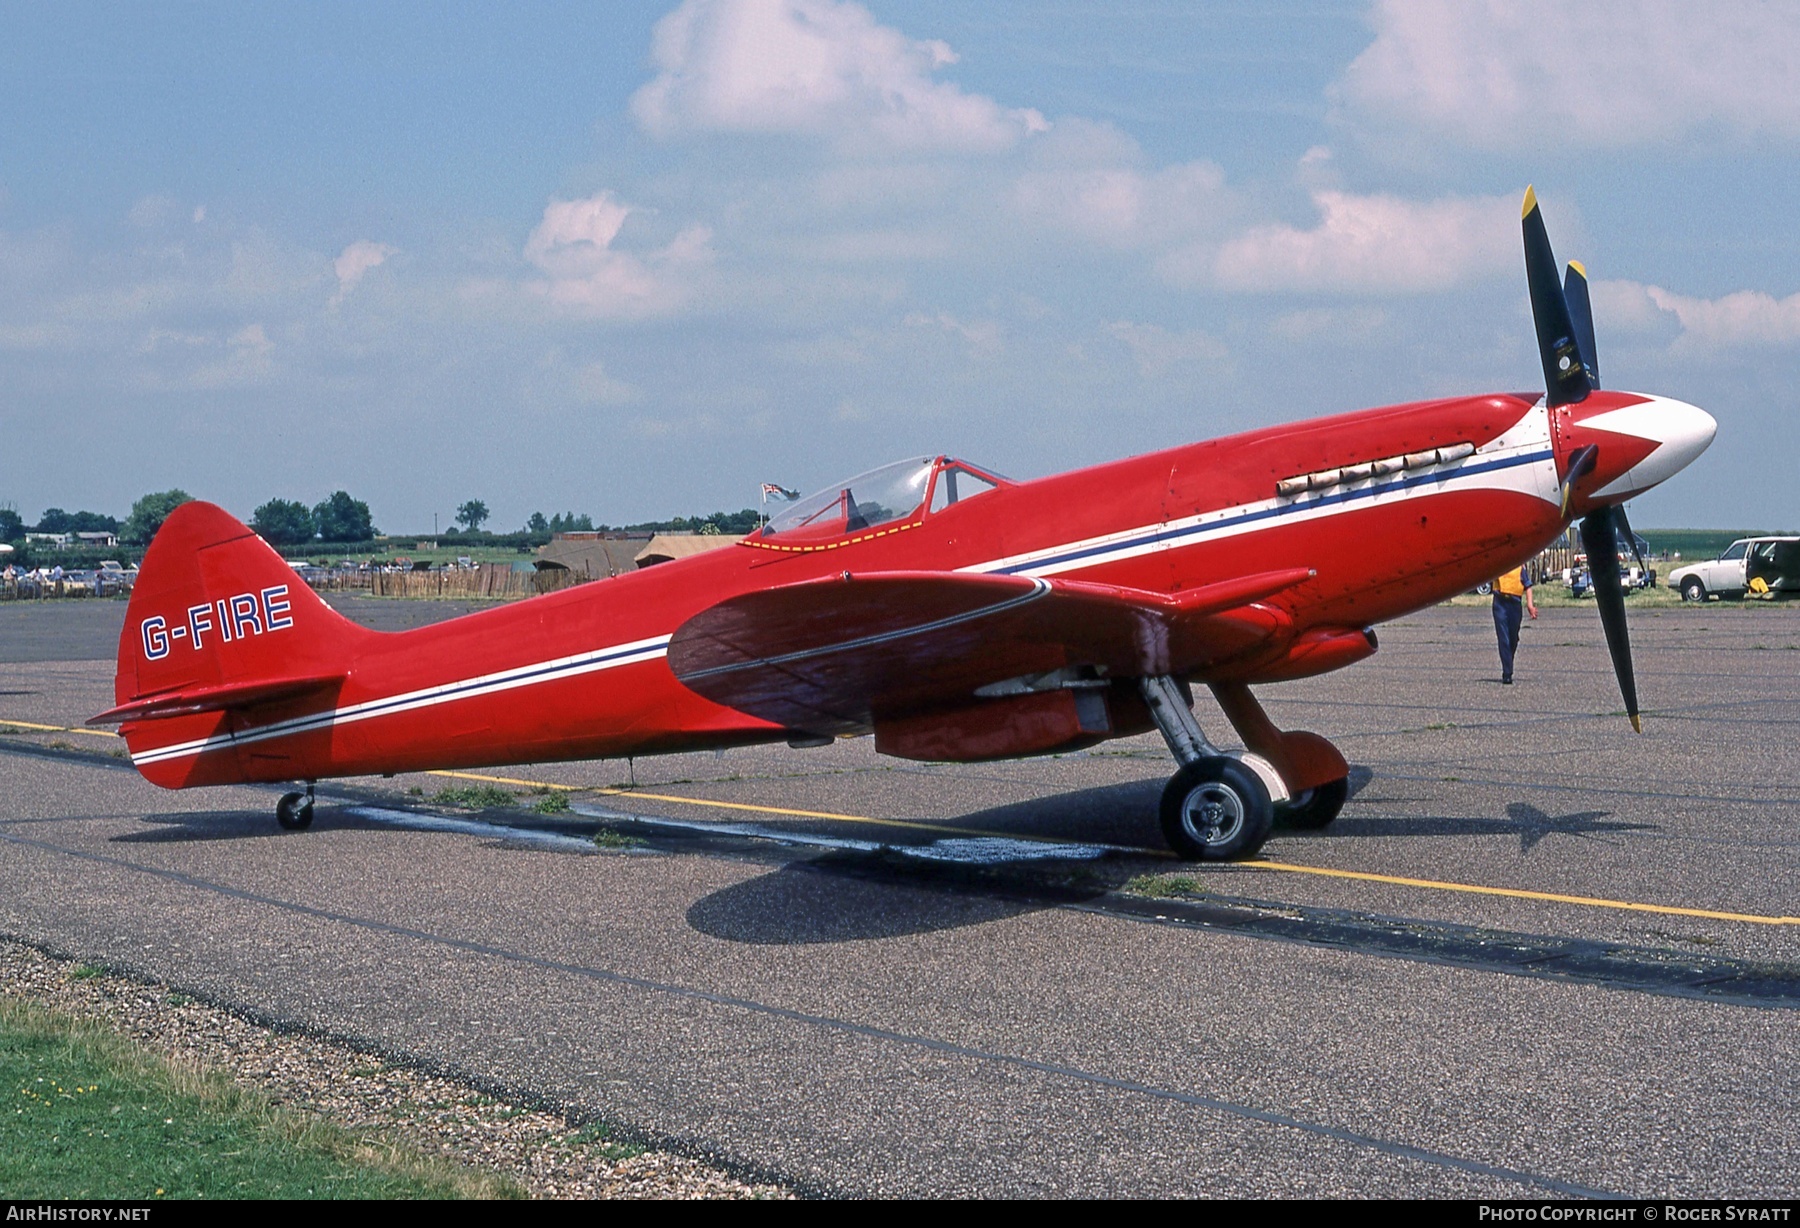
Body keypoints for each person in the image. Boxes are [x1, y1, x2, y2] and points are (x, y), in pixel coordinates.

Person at [1492, 563, 1538, 684]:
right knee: (1503, 639)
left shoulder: (1519, 567)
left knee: (1513, 638)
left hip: (1514, 604)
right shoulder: (1497, 564)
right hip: (1500, 603)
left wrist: (1530, 605)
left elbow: (1528, 586)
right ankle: (1507, 673)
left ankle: (1508, 662)